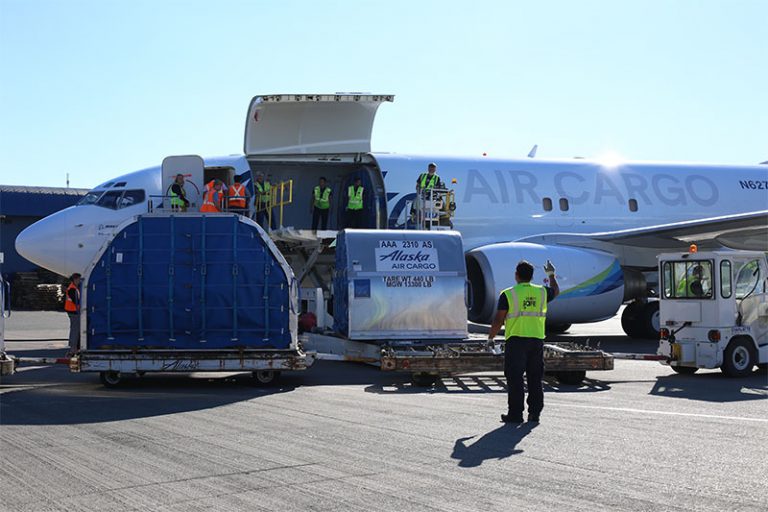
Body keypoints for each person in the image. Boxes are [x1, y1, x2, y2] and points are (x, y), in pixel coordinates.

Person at [487, 260, 560, 424]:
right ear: (532, 276)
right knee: (535, 378)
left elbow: (499, 319)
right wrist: (551, 275)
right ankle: (534, 414)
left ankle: (515, 414)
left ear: (516, 275)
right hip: (536, 340)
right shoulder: (541, 292)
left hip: (516, 341)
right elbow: (556, 291)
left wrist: (491, 338)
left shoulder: (508, 294)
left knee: (515, 378)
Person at [64, 273, 82, 357]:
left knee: (75, 329)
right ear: (75, 279)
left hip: (72, 311)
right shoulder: (72, 289)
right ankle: (73, 349)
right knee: (75, 330)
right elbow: (76, 301)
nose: (79, 281)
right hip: (73, 312)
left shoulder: (73, 288)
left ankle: (74, 348)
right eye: (78, 279)